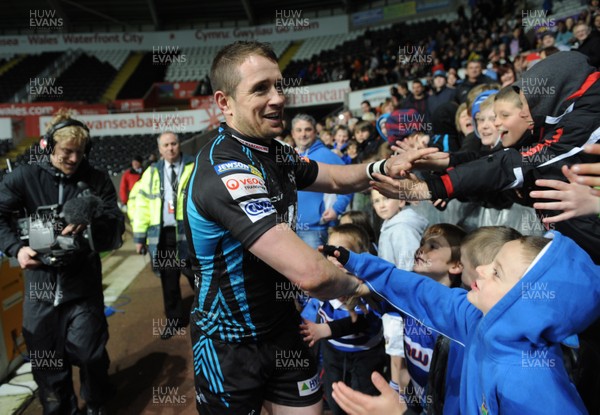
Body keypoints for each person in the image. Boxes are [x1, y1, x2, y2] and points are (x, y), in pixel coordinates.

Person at [183, 40, 437, 415]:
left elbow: (332, 178)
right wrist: (373, 288)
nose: (277, 98)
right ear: (224, 103)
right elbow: (311, 274)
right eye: (260, 89)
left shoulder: (274, 150)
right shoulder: (227, 167)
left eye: (279, 85)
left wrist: (379, 168)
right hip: (229, 345)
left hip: (285, 328)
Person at [327, 231, 600, 414]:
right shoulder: (478, 322)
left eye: (496, 272)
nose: (480, 270)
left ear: (528, 304)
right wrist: (360, 265)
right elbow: (425, 294)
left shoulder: (531, 385)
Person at [0, 110, 124, 415]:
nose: (73, 159)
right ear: (47, 147)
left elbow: (115, 230)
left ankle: (97, 403)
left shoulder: (95, 179)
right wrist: (16, 249)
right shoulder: (23, 177)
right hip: (39, 283)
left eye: (80, 152)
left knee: (89, 352)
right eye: (66, 151)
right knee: (45, 357)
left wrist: (94, 212)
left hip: (82, 281)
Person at [300, 224, 386, 415]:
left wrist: (324, 330)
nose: (335, 257)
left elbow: (360, 322)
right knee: (334, 395)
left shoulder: (365, 286)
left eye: (342, 252)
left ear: (360, 256)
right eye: (331, 252)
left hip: (365, 354)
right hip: (333, 351)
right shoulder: (323, 280)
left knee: (362, 397)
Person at [133, 131, 195, 340]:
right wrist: (140, 237)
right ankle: (174, 321)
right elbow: (141, 205)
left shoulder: (194, 165)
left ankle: (209, 317)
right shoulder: (151, 172)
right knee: (169, 282)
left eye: (174, 143)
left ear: (179, 144)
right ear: (159, 149)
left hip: (189, 234)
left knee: (199, 278)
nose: (170, 148)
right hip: (164, 237)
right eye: (166, 145)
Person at [293, 113, 352, 248]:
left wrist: (336, 209)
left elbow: (349, 184)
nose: (303, 134)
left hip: (316, 230)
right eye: (299, 130)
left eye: (308, 129)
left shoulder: (327, 155)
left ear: (315, 132)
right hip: (293, 229)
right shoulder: (290, 156)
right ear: (293, 133)